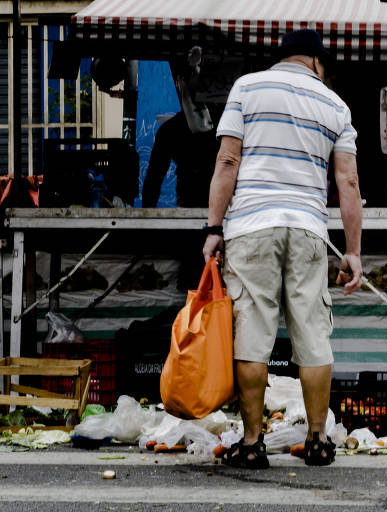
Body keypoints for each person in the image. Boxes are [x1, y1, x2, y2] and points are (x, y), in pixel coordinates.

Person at [202, 29, 363, 469]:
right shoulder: (335, 105)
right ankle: (317, 440)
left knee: (252, 336)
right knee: (313, 336)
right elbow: (347, 182)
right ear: (315, 62)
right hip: (309, 229)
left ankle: (252, 443)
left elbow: (227, 161)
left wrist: (214, 226)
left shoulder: (247, 87)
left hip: (252, 225)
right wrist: (353, 251)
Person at [142, 110, 219, 208]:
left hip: (191, 195)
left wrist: (147, 216)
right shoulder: (221, 126)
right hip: (203, 195)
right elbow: (154, 177)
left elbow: (154, 177)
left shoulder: (170, 128)